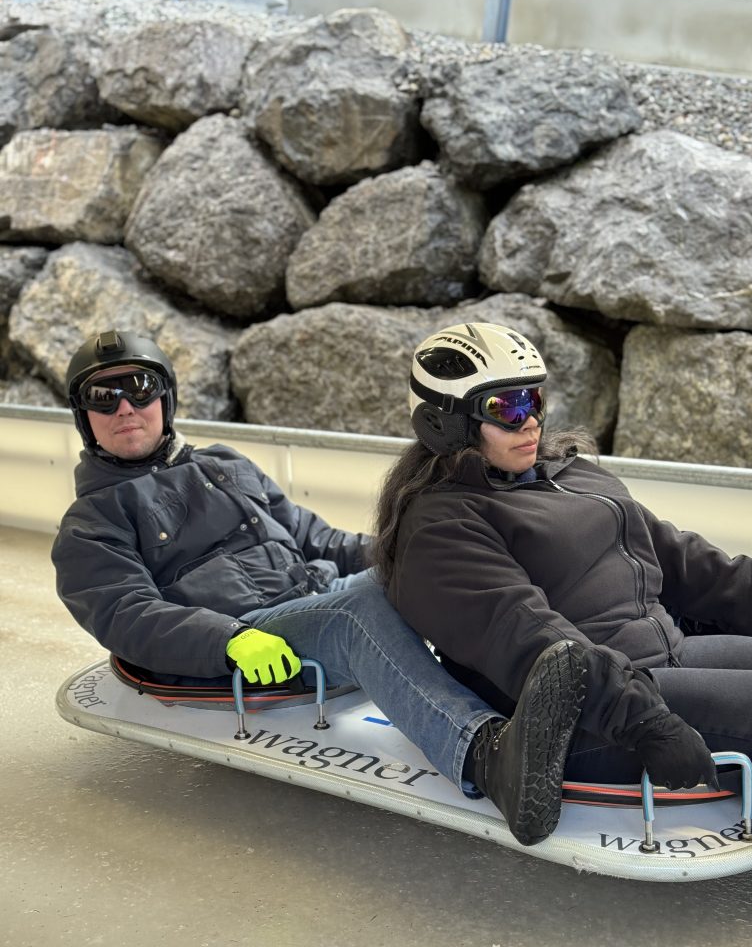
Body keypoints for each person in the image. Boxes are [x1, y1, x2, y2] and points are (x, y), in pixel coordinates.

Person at [52, 328, 588, 847]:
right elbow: (126, 613)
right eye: (105, 397)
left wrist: (414, 549)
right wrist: (227, 639)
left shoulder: (222, 463)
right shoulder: (92, 522)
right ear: (85, 417)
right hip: (256, 635)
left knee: (453, 561)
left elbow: (316, 538)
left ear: (164, 398)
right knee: (356, 611)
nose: (126, 408)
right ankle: (486, 756)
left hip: (318, 593)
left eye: (140, 390)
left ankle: (548, 693)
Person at [372, 321, 752, 799]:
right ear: (445, 423)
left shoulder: (567, 474)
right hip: (587, 716)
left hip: (668, 655)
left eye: (533, 401)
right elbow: (528, 634)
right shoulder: (442, 526)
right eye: (506, 408)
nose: (530, 421)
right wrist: (645, 721)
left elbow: (675, 555)